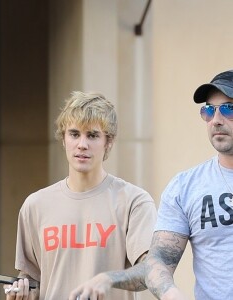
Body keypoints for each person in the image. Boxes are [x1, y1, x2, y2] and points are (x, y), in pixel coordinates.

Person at [68, 69, 233, 300]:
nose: (216, 120)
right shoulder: (185, 188)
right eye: (209, 110)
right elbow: (157, 263)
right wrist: (168, 292)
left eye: (228, 109)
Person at [4, 91, 157, 300]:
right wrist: (23, 292)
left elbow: (150, 271)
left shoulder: (133, 201)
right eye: (74, 134)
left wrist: (108, 279)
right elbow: (32, 278)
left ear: (108, 142)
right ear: (64, 139)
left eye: (92, 135)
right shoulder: (35, 206)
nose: (82, 144)